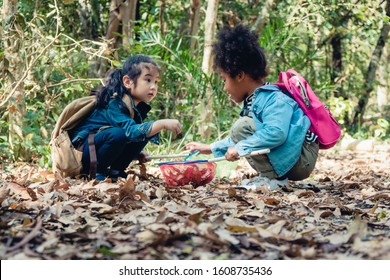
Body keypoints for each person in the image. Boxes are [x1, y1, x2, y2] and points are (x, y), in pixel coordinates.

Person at [185, 25, 319, 190]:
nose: (225, 88)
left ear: (240, 76)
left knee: (242, 127)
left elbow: (276, 132)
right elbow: (243, 137)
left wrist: (241, 147)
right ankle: (271, 177)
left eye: (224, 79)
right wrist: (209, 148)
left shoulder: (273, 98)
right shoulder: (256, 100)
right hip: (292, 156)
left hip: (301, 159)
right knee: (242, 128)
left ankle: (273, 180)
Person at [69, 55, 182, 181]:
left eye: (156, 82)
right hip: (85, 152)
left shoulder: (135, 108)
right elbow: (128, 133)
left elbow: (133, 136)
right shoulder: (114, 103)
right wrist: (162, 123)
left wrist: (135, 154)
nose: (153, 87)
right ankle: (97, 172)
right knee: (120, 133)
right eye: (148, 80)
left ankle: (116, 171)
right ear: (127, 82)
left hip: (97, 148)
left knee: (145, 131)